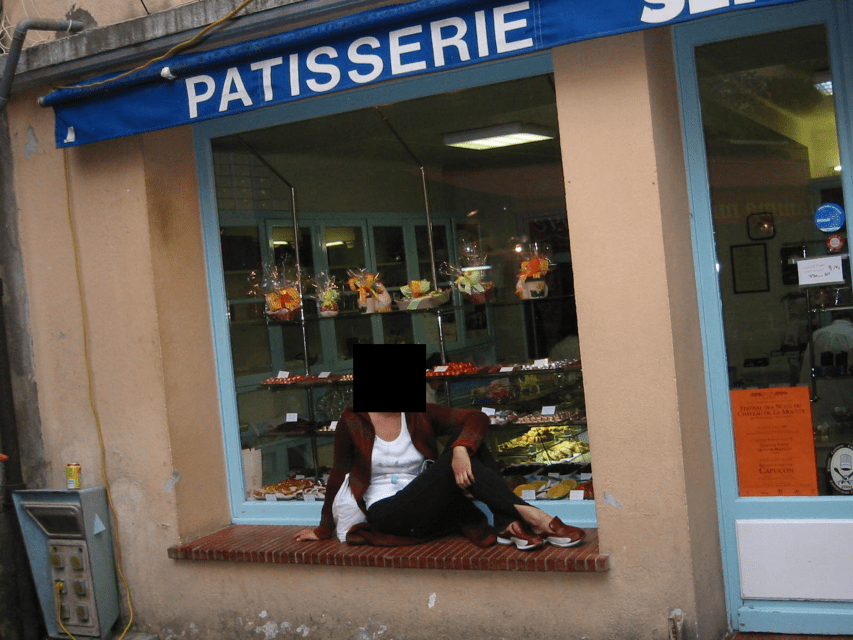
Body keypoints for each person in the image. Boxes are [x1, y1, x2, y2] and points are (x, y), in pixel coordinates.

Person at [293, 403, 585, 550]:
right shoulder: (353, 420)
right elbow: (338, 472)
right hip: (388, 513)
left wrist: (460, 448)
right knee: (457, 458)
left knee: (470, 446)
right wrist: (323, 529)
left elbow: (477, 417)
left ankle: (508, 523)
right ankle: (532, 518)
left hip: (429, 503)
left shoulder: (418, 414)